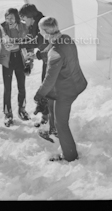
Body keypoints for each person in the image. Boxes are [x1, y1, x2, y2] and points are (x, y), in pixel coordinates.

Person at [33, 17, 87, 162]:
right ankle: (65, 147)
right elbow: (55, 49)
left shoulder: (55, 53)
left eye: (40, 29)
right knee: (59, 121)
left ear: (45, 31)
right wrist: (39, 55)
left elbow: (49, 79)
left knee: (61, 124)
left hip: (66, 91)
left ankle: (70, 156)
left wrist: (39, 95)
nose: (39, 32)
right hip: (76, 83)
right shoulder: (66, 38)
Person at [19, 4, 57, 141]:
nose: (24, 22)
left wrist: (22, 45)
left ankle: (53, 127)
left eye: (24, 19)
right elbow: (33, 41)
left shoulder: (43, 25)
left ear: (30, 17)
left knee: (49, 92)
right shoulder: (34, 25)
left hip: (52, 63)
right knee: (45, 89)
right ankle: (46, 118)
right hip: (48, 61)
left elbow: (47, 46)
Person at [0, 8, 33, 127]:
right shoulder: (2, 28)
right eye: (7, 18)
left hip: (20, 58)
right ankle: (8, 114)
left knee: (21, 86)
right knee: (7, 88)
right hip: (7, 60)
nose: (9, 20)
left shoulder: (24, 27)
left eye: (11, 18)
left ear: (17, 18)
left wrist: (29, 62)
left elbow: (29, 44)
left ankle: (22, 109)